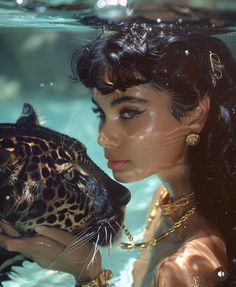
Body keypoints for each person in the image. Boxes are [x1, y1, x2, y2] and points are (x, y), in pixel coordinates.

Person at [0, 22, 236, 287]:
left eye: (129, 113)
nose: (103, 136)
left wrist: (87, 275)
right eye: (100, 113)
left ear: (195, 114)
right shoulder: (165, 202)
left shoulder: (184, 267)